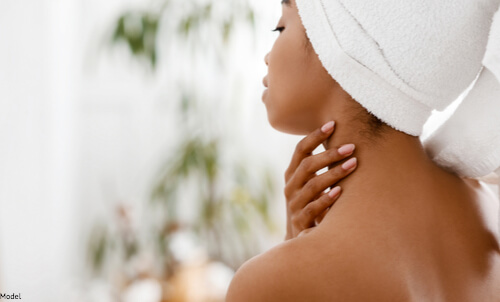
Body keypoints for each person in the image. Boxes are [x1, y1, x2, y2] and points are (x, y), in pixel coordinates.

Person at [226, 0, 500, 301]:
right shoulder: (491, 214)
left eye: (281, 27)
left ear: (338, 45)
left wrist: (291, 252)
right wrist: (297, 242)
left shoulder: (272, 283)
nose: (267, 56)